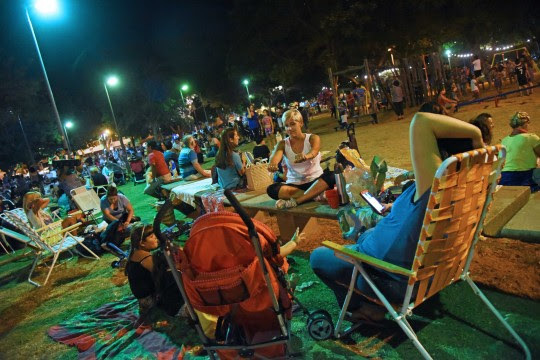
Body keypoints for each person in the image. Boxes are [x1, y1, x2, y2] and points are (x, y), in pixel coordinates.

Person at [310, 111, 485, 321]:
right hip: (424, 272)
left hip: (389, 278)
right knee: (366, 230)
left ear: (442, 156)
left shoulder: (437, 187)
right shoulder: (469, 188)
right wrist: (398, 207)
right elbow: (418, 217)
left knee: (318, 256)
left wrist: (477, 134)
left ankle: (363, 309)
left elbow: (421, 121)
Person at [266, 109, 335, 209]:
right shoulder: (282, 144)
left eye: (293, 124)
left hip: (316, 181)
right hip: (295, 185)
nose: (289, 128)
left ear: (301, 123)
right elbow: (275, 157)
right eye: (286, 126)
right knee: (271, 189)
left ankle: (297, 201)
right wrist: (273, 164)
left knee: (332, 176)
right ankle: (313, 195)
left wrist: (306, 156)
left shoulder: (313, 138)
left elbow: (314, 151)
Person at [125, 223, 184, 317]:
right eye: (152, 236)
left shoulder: (135, 253)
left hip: (143, 300)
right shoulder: (146, 259)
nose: (156, 238)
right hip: (150, 300)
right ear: (142, 243)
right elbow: (167, 275)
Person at [499, 112, 539, 192]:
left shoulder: (504, 141)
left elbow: (501, 162)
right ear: (524, 124)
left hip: (505, 178)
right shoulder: (531, 137)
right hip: (525, 176)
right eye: (528, 124)